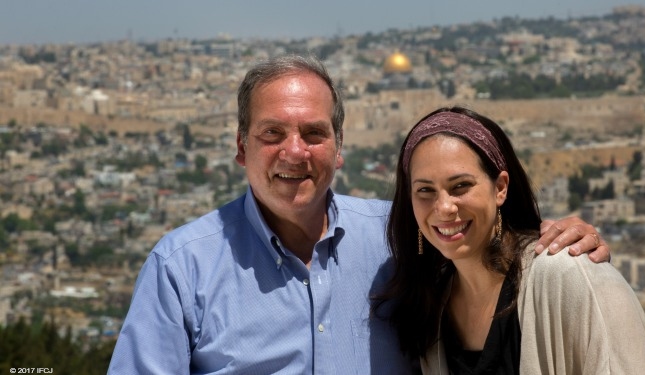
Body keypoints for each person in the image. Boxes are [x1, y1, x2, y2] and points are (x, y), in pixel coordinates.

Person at [108, 55, 611, 374]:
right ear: (241, 148)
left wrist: (553, 238)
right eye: (272, 134)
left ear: (340, 148)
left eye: (313, 134)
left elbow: (478, 242)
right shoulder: (182, 268)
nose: (294, 152)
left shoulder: (406, 236)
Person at [376, 106, 645, 374]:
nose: (444, 207)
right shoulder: (430, 307)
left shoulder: (569, 276)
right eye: (425, 190)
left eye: (460, 186)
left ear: (500, 187)